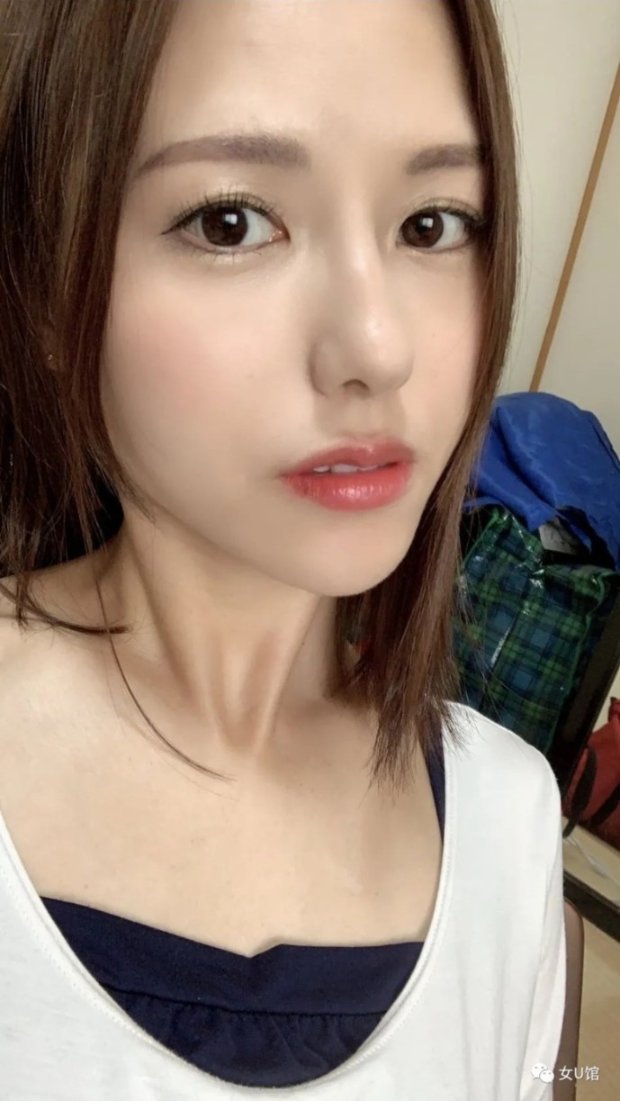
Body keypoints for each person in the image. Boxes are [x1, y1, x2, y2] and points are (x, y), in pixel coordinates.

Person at [0, 0, 566, 1097]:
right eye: (230, 222)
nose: (376, 347)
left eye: (431, 224)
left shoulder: (510, 822)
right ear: (44, 279)